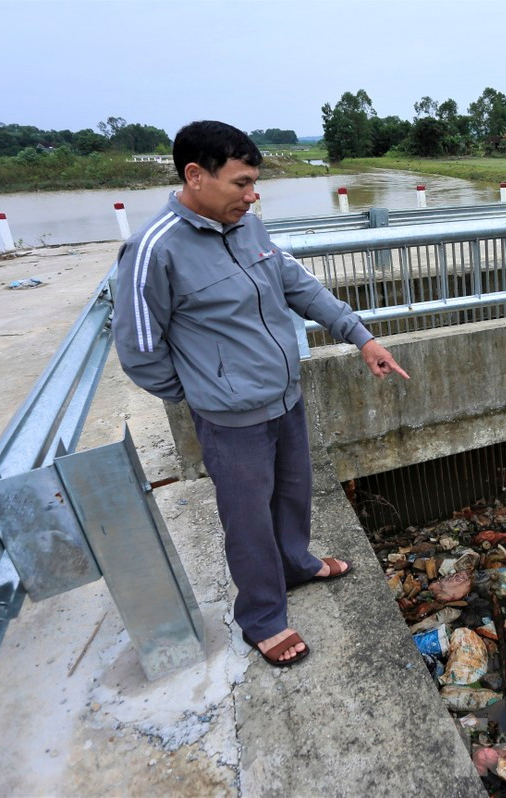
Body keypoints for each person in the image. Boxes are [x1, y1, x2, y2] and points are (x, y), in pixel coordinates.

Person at [113, 121, 408, 666]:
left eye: (255, 184)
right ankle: (263, 618)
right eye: (241, 183)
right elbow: (138, 350)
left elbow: (298, 285)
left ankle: (295, 564)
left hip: (284, 398)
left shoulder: (249, 227)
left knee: (294, 493)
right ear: (195, 175)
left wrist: (361, 337)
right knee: (247, 521)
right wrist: (210, 390)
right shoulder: (153, 250)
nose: (253, 195)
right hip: (230, 419)